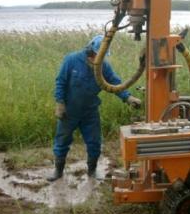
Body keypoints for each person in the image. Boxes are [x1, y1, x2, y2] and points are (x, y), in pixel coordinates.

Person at [48, 34, 141, 181]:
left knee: (94, 143)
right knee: (62, 141)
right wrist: (60, 103)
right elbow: (60, 82)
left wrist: (128, 97)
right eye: (97, 55)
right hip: (69, 111)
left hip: (90, 112)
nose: (98, 59)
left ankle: (92, 171)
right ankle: (58, 171)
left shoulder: (104, 67)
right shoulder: (71, 60)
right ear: (90, 50)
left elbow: (115, 84)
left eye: (102, 56)